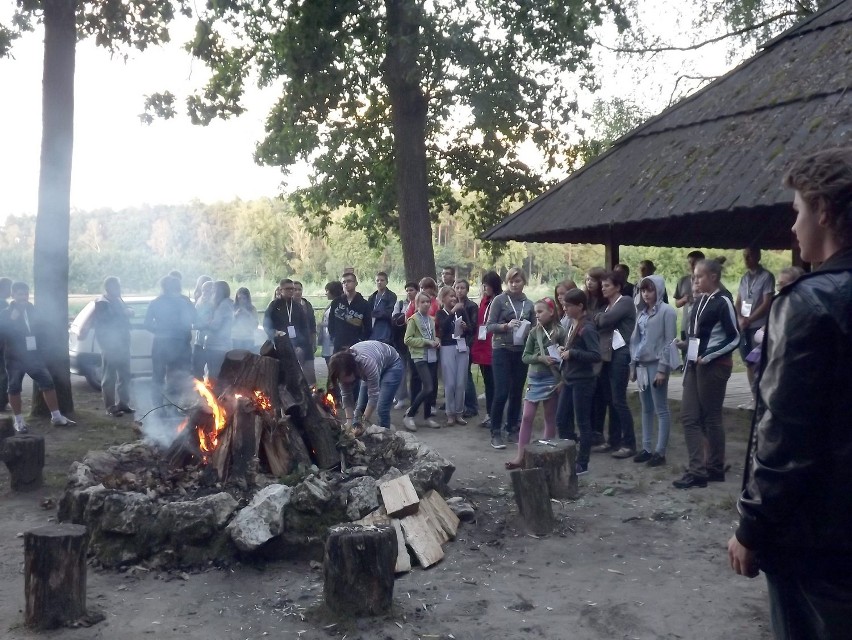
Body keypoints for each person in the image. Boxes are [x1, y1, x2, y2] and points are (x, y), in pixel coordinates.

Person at [729, 148, 852, 639]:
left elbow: (784, 435)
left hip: (817, 537)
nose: (794, 228)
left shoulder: (808, 304)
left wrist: (751, 527)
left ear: (823, 210)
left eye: (798, 212)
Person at [672, 258, 739, 489]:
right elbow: (698, 335)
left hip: (714, 367)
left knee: (711, 417)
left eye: (699, 276)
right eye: (694, 277)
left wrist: (709, 355)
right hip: (693, 364)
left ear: (713, 277)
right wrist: (685, 345)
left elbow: (735, 337)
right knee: (689, 416)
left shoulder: (723, 301)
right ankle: (697, 470)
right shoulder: (699, 301)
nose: (695, 281)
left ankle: (714, 467)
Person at [0, 282, 75, 432]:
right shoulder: (5, 313)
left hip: (33, 355)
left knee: (47, 382)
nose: (24, 297)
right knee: (14, 387)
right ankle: (19, 421)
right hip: (14, 357)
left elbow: (42, 327)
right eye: (20, 294)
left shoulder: (32, 309)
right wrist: (11, 320)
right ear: (13, 295)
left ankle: (56, 417)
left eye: (26, 294)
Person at [505, 297, 565, 469]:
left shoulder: (561, 332)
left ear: (551, 312)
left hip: (552, 379)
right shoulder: (533, 333)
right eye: (535, 312)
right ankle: (520, 455)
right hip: (535, 379)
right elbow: (525, 357)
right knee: (526, 416)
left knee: (549, 417)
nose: (536, 315)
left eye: (540, 312)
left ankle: (546, 455)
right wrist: (540, 358)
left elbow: (566, 354)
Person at [629, 275, 676, 467]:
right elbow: (635, 341)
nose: (646, 294)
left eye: (650, 290)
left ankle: (660, 451)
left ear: (659, 290)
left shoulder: (667, 312)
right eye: (643, 290)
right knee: (645, 407)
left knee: (660, 408)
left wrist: (663, 369)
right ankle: (647, 448)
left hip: (657, 365)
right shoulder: (641, 313)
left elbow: (669, 341)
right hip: (641, 365)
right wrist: (632, 365)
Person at [485, 267, 535, 449]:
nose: (514, 284)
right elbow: (489, 326)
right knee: (502, 391)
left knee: (516, 391)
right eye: (511, 281)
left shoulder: (529, 304)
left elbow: (535, 328)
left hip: (520, 351)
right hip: (502, 349)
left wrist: (528, 328)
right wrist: (506, 326)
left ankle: (512, 427)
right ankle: (495, 431)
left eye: (518, 281)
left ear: (524, 282)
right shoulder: (499, 300)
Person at [592, 269, 637, 459]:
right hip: (607, 355)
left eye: (607, 285)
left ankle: (629, 443)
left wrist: (599, 318)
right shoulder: (606, 306)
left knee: (619, 400)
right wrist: (598, 318)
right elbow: (597, 319)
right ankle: (613, 440)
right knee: (610, 399)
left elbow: (605, 320)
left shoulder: (625, 302)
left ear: (618, 286)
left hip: (621, 354)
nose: (603, 288)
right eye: (602, 285)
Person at [556, 289, 601, 475]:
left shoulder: (587, 328)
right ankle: (569, 454)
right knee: (561, 419)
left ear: (580, 306)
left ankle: (583, 462)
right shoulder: (572, 324)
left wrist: (573, 353)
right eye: (563, 305)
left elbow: (595, 355)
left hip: (583, 381)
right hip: (569, 378)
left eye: (568, 306)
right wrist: (564, 349)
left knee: (582, 422)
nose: (564, 308)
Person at [328, 340, 403, 432]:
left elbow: (373, 397)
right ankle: (356, 435)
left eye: (344, 378)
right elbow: (346, 396)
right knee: (359, 408)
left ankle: (386, 436)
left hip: (392, 365)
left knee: (382, 408)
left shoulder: (367, 364)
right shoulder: (342, 371)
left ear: (352, 370)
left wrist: (362, 423)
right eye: (340, 379)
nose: (342, 382)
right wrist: (349, 422)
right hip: (373, 364)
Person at [145, 275, 196, 407]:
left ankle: (160, 406)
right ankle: (173, 406)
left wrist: (160, 331)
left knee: (160, 377)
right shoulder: (184, 301)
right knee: (176, 377)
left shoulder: (156, 302)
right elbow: (196, 319)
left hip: (165, 344)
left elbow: (147, 324)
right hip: (177, 345)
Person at [735, 247, 775, 411]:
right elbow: (738, 301)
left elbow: (767, 303)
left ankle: (764, 399)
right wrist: (739, 319)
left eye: (749, 255)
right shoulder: (744, 278)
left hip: (759, 326)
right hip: (744, 326)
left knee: (760, 362)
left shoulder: (767, 277)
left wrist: (750, 319)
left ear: (758, 256)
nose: (746, 259)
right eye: (744, 256)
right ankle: (754, 398)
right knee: (748, 362)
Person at [92, 276, 134, 416]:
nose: (119, 290)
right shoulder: (102, 303)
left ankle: (123, 403)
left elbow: (123, 315)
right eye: (117, 287)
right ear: (109, 288)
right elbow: (107, 321)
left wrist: (128, 311)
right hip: (110, 344)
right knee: (109, 377)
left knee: (125, 375)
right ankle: (110, 407)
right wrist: (125, 313)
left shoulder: (118, 300)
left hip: (123, 343)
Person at [402, 292, 441, 431]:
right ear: (417, 304)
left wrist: (436, 341)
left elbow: (433, 336)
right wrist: (425, 342)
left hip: (431, 356)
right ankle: (410, 415)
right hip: (419, 356)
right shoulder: (413, 320)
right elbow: (407, 340)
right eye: (422, 302)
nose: (426, 304)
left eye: (428, 302)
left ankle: (427, 416)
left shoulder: (431, 319)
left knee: (432, 388)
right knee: (428, 387)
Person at [263, 278, 314, 382]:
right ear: (281, 290)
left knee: (299, 375)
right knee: (283, 376)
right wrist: (274, 332)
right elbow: (266, 325)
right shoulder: (274, 306)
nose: (291, 291)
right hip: (280, 346)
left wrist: (302, 345)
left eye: (292, 289)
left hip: (297, 345)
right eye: (288, 289)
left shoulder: (298, 307)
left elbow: (305, 328)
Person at [436, 286, 471, 426]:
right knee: (450, 383)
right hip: (447, 347)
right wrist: (452, 312)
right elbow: (442, 329)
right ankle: (450, 413)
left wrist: (465, 327)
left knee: (461, 382)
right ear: (443, 298)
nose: (453, 299)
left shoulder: (462, 311)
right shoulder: (440, 313)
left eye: (454, 296)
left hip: (462, 347)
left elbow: (470, 329)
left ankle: (459, 412)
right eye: (450, 296)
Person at [470, 271, 501, 430]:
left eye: (487, 284)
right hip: (482, 345)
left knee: (494, 384)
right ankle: (489, 414)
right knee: (488, 383)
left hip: (493, 346)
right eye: (484, 284)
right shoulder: (484, 300)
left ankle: (495, 415)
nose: (485, 287)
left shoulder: (500, 300)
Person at [584, 267, 608, 446]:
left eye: (592, 279)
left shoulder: (605, 301)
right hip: (586, 346)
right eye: (586, 279)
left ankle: (598, 430)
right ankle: (588, 429)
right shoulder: (585, 299)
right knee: (589, 392)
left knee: (600, 392)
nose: (589, 282)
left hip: (601, 347)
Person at [674, 251, 705, 368]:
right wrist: (684, 299)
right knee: (687, 356)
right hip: (685, 324)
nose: (692, 266)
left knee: (698, 355)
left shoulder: (706, 280)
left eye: (695, 263)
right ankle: (687, 375)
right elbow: (677, 303)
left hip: (700, 324)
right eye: (690, 263)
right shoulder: (683, 280)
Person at [453, 279, 479, 418]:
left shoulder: (472, 305)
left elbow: (474, 327)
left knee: (466, 374)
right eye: (457, 287)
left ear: (467, 290)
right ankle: (456, 403)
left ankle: (472, 405)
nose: (459, 290)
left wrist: (466, 326)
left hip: (466, 342)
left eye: (462, 288)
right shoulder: (450, 304)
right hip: (453, 343)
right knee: (455, 374)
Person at [328, 272, 371, 353]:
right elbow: (331, 322)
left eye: (349, 281)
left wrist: (360, 340)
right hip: (338, 345)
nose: (346, 284)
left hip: (356, 346)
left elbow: (368, 327)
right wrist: (334, 337)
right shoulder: (336, 302)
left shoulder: (364, 304)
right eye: (344, 282)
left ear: (356, 283)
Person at [391, 281, 418, 408]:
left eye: (411, 290)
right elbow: (395, 319)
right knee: (401, 369)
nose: (409, 292)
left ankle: (416, 397)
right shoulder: (400, 303)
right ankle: (401, 397)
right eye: (407, 290)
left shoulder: (421, 303)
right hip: (401, 341)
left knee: (415, 371)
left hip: (416, 341)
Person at [203, 281, 234, 379]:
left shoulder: (224, 305)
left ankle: (215, 394)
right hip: (219, 345)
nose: (211, 291)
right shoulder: (224, 304)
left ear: (219, 291)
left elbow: (215, 326)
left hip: (217, 346)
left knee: (215, 374)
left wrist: (206, 323)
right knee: (216, 373)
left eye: (213, 289)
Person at [293, 281, 318, 386]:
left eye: (300, 289)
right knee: (296, 374)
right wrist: (294, 344)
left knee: (310, 373)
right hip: (295, 344)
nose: (298, 292)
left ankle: (312, 397)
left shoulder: (307, 304)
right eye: (295, 289)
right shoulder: (289, 306)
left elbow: (312, 324)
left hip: (307, 343)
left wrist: (314, 340)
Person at [192, 279, 215, 379]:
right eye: (204, 291)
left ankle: (212, 392)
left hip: (212, 343)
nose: (206, 293)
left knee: (213, 370)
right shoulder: (199, 302)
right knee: (197, 369)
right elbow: (194, 320)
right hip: (199, 341)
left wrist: (207, 324)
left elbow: (215, 322)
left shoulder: (216, 304)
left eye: (208, 291)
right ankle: (198, 391)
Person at [367, 272, 397, 345]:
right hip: (373, 326)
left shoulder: (391, 296)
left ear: (386, 282)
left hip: (385, 326)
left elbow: (389, 312)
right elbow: (368, 312)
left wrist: (374, 313)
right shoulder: (372, 297)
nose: (379, 282)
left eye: (382, 280)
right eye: (377, 280)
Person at [320, 281, 344, 369]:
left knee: (334, 367)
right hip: (327, 339)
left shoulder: (340, 305)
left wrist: (323, 324)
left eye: (327, 291)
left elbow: (338, 322)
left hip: (333, 341)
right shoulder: (331, 304)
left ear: (332, 291)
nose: (325, 293)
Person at [0, 277, 12, 411]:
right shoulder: (3, 304)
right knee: (4, 373)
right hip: (2, 343)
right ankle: (1, 402)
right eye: (10, 288)